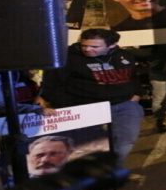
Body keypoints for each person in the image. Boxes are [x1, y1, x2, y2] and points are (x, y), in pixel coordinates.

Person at [41, 29, 143, 165]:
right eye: (84, 45)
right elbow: (53, 84)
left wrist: (137, 93)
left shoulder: (125, 56)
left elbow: (133, 77)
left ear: (112, 45)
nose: (87, 49)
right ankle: (90, 172)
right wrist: (66, 105)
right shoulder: (67, 58)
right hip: (86, 108)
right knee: (88, 146)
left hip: (123, 105)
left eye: (95, 46)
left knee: (126, 140)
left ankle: (110, 170)